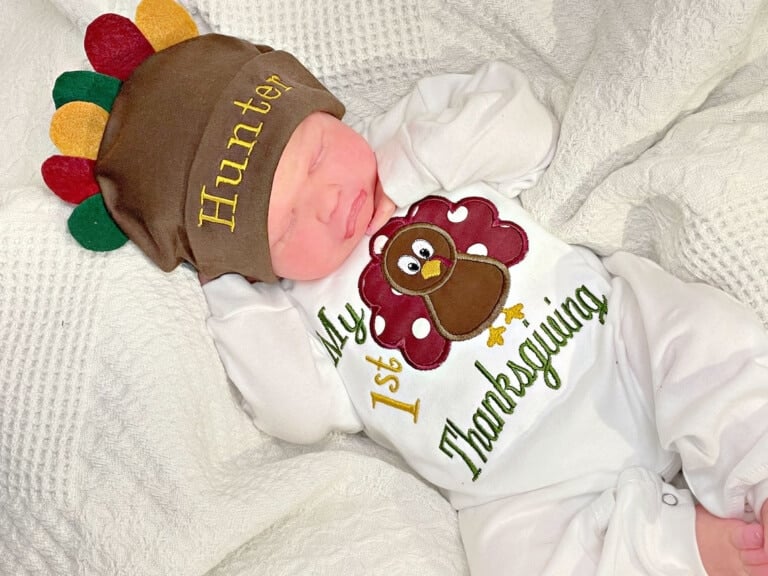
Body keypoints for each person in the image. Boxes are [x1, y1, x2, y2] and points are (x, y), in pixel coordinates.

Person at [44, 4, 768, 573]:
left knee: (701, 338)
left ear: (325, 108)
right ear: (251, 263)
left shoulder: (413, 147)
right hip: (517, 486)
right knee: (515, 558)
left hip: (615, 348)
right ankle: (682, 548)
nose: (329, 200)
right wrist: (234, 288)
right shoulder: (294, 308)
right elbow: (296, 413)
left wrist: (412, 161)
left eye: (318, 155)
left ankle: (755, 465)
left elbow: (529, 130)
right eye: (287, 222)